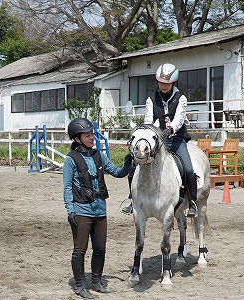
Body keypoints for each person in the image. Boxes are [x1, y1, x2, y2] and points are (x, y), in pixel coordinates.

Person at [63, 118, 132, 299]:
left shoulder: (99, 155)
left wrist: (127, 164)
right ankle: (79, 286)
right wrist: (70, 210)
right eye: (87, 135)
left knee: (100, 248)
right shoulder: (71, 160)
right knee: (80, 249)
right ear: (77, 139)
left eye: (92, 134)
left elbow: (117, 172)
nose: (92, 137)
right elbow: (67, 187)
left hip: (100, 211)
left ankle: (97, 282)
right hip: (81, 211)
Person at [121, 63, 198, 218]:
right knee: (134, 165)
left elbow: (179, 119)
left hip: (176, 140)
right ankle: (132, 200)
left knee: (189, 169)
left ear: (173, 83)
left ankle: (193, 202)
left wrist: (170, 129)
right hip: (156, 141)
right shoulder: (151, 99)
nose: (163, 85)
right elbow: (148, 119)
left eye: (167, 83)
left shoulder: (181, 98)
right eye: (161, 82)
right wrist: (150, 133)